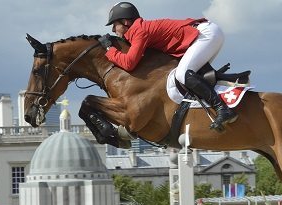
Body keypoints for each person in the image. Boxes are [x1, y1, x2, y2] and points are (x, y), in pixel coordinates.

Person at [99, 2, 238, 131]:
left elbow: (129, 63)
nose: (112, 29)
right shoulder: (138, 30)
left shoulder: (139, 31)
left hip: (205, 35)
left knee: (182, 74)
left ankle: (223, 109)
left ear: (125, 21)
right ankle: (211, 113)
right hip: (205, 34)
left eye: (114, 24)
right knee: (191, 77)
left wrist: (109, 49)